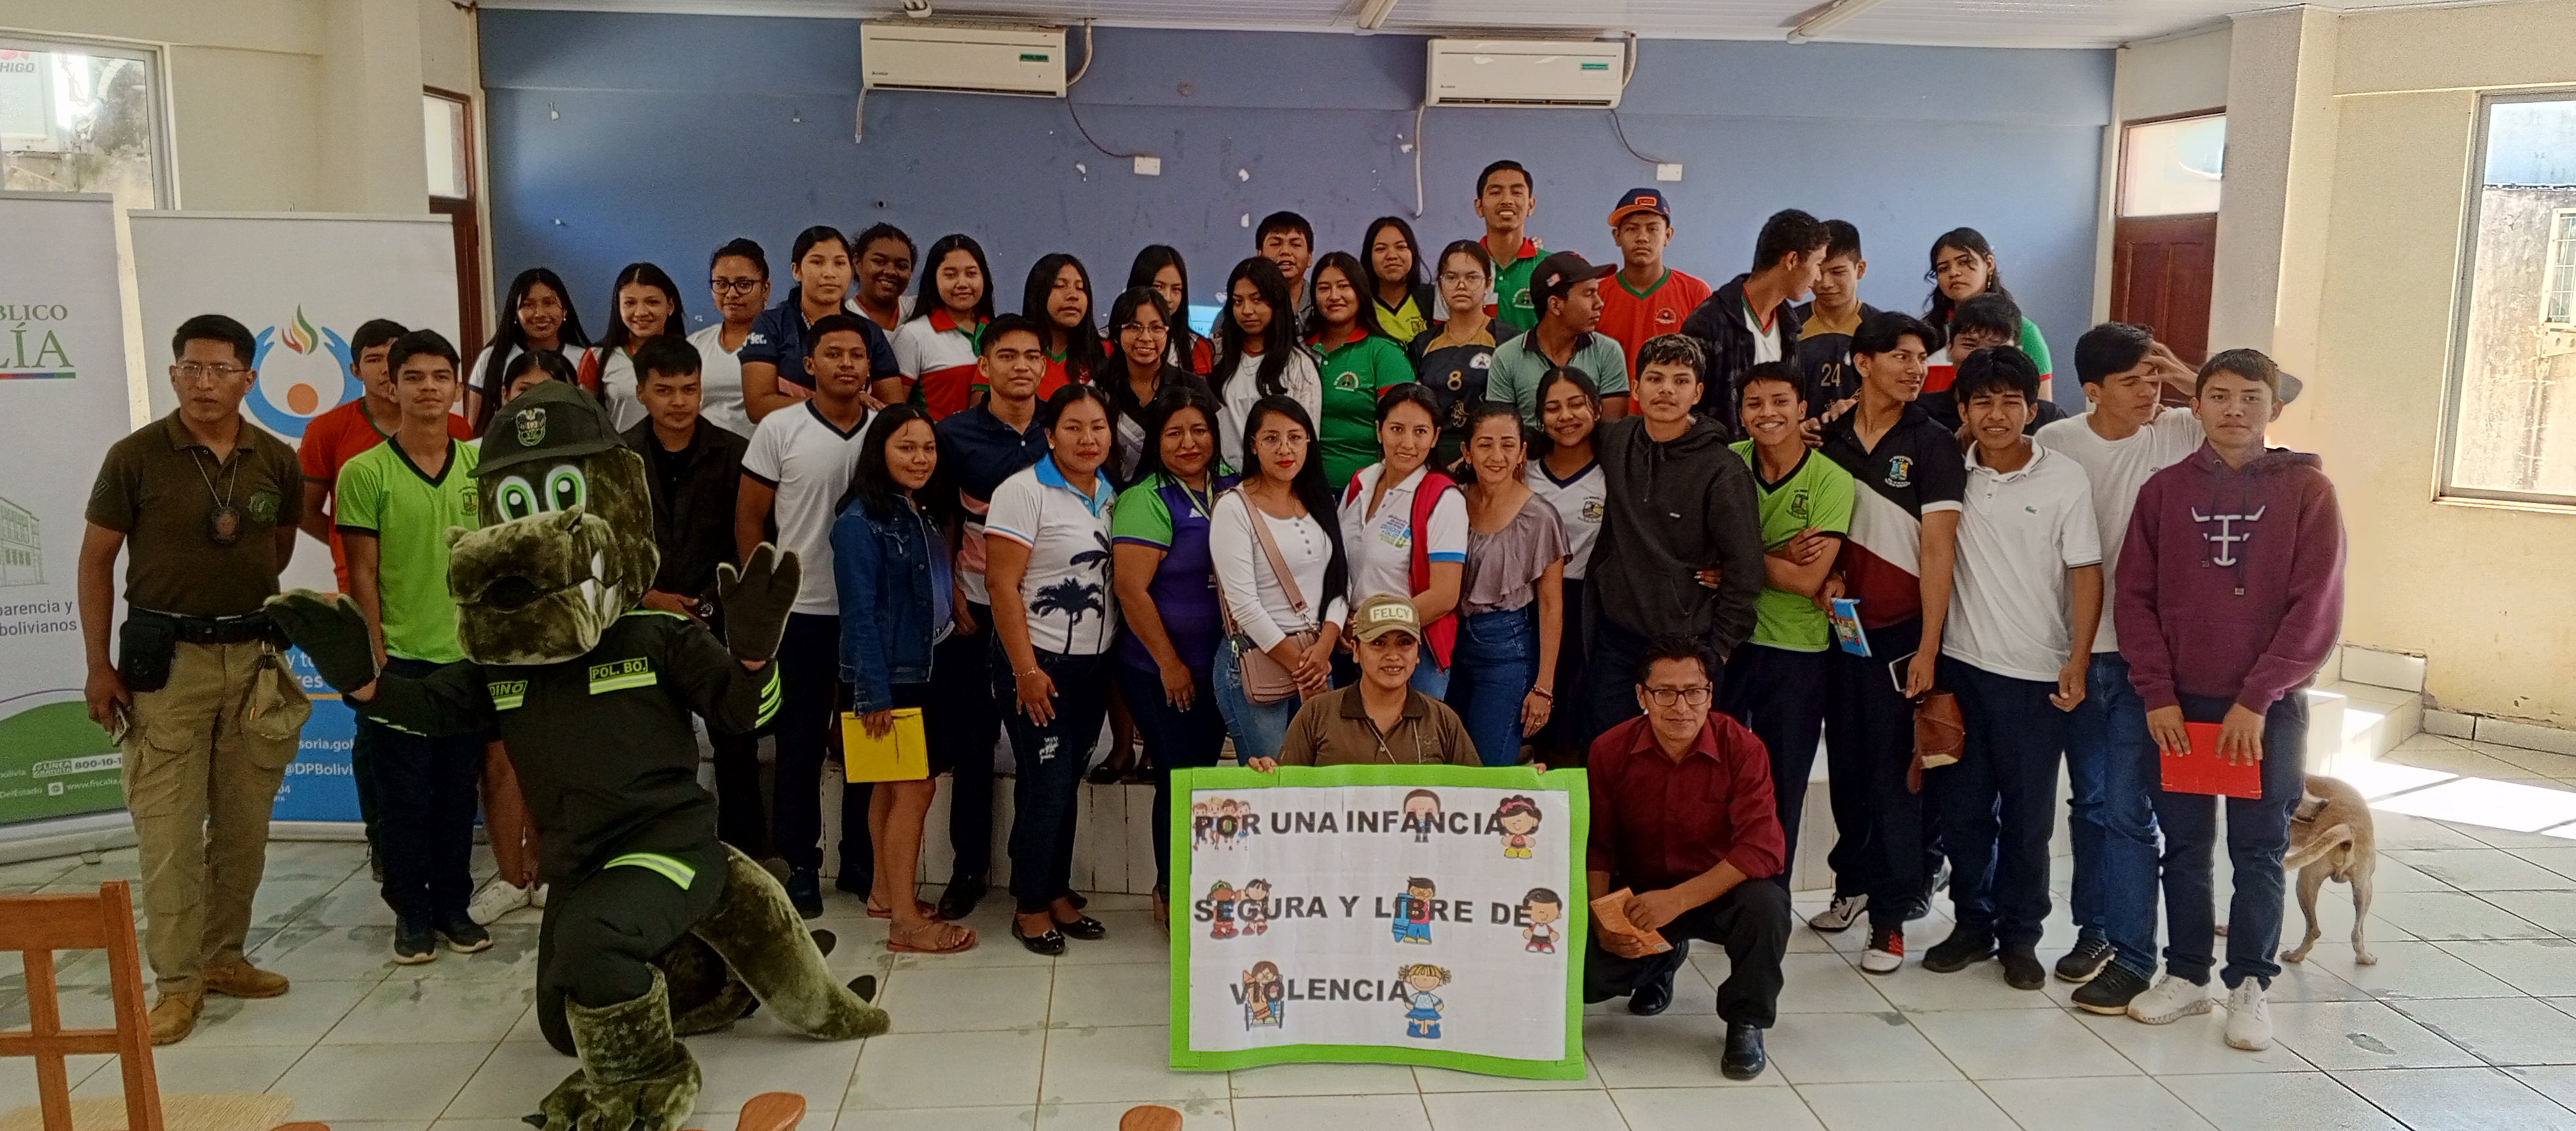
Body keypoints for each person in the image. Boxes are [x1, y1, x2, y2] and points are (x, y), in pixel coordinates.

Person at [80, 314, 309, 1044]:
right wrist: (97, 667)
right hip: (165, 667)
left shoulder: (275, 458)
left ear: (248, 377)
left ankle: (223, 957)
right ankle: (176, 986)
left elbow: (276, 550)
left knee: (245, 827)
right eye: (191, 369)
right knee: (170, 835)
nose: (205, 383)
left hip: (252, 663)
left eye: (221, 370)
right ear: (174, 373)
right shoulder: (136, 457)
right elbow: (95, 562)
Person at [2113, 348, 2343, 1054]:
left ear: (2274, 407)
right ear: (2197, 403)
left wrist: (2258, 698)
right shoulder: (2163, 492)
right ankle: (2186, 973)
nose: (2234, 410)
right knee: (2183, 845)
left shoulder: (2307, 491)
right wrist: (2158, 694)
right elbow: (2135, 598)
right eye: (2219, 396)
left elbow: (2315, 608)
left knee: (2259, 847)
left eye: (2250, 397)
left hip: (2265, 709)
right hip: (2181, 704)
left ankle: (2250, 982)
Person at [1919, 347, 2102, 990]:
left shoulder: (2065, 479)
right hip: (1964, 670)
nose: (1996, 415)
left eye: (2009, 401)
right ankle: (1972, 922)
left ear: (2032, 407)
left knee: (2028, 821)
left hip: (2037, 677)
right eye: (1982, 402)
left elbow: (2085, 573)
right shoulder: (1951, 475)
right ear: (1963, 411)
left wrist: (2076, 660)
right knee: (1965, 813)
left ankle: (2020, 936)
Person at [2037, 325, 2200, 1008]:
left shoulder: (2177, 430)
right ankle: (2094, 930)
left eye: (2153, 376)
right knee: (2089, 800)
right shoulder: (2058, 442)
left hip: (2144, 655)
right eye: (2132, 380)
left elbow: (2274, 397)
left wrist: (2187, 375)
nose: (2149, 390)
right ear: (2093, 391)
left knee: (2127, 806)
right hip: (2075, 647)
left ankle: (2135, 942)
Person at [1812, 312, 1965, 972]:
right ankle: (1853, 883)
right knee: (1848, 768)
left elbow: (1938, 551)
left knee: (1896, 777)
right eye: (1899, 356)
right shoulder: (1830, 440)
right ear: (1862, 362)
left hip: (1905, 636)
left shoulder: (1931, 444)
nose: (1913, 368)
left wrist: (1930, 645)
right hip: (1842, 633)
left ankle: (1891, 917)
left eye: (1920, 358)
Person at [334, 329, 492, 963]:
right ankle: (412, 913)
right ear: (390, 386)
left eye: (440, 376)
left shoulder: (481, 465)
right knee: (404, 799)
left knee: (457, 795)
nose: (428, 388)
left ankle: (454, 905)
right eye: (415, 377)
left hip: (468, 658)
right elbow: (363, 573)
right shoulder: (364, 472)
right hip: (401, 661)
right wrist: (375, 653)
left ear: (457, 386)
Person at [293, 317, 466, 882]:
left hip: (451, 624)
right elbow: (307, 509)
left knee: (450, 764)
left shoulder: (465, 439)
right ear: (371, 372)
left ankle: (446, 881)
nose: (424, 386)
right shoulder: (336, 435)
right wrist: (353, 542)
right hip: (372, 605)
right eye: (390, 365)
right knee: (382, 748)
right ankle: (387, 855)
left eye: (439, 375)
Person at [1583, 637, 1791, 1081]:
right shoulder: (1608, 750)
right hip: (1640, 894)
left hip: (1717, 890)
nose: (1681, 707)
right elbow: (1596, 845)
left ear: (1710, 694)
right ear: (1642, 695)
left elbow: (1763, 847)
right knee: (1586, 979)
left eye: (1694, 691)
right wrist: (1602, 922)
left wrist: (1677, 900)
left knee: (1767, 907)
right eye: (1665, 692)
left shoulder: (1743, 748)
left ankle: (1747, 1021)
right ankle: (1659, 963)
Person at [736, 312, 880, 917]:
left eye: (857, 354)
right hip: (802, 613)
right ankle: (799, 862)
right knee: (797, 745)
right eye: (834, 354)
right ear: (810, 364)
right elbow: (749, 520)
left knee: (867, 744)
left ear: (870, 364)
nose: (846, 363)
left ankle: (861, 857)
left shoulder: (886, 431)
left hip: (868, 616)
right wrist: (761, 605)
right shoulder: (780, 429)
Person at [830, 405, 978, 956]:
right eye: (906, 448)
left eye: (928, 449)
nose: (920, 459)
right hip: (889, 679)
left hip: (928, 668)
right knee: (916, 790)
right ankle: (906, 922)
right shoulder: (858, 523)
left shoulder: (921, 509)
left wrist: (954, 607)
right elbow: (859, 616)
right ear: (879, 452)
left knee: (893, 788)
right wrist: (873, 695)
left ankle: (883, 894)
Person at [986, 385, 1120, 956]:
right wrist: (1025, 670)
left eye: (1097, 427)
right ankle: (1031, 907)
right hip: (1038, 665)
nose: (1087, 439)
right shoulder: (1022, 491)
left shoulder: (1110, 494)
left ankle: (1056, 890)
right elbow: (1000, 584)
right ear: (1049, 435)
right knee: (1044, 787)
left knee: (1065, 783)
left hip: (1094, 667)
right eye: (1073, 427)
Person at [1579, 334, 1764, 747]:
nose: (1666, 389)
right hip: (1618, 643)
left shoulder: (1724, 470)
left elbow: (1745, 570)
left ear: (1698, 392)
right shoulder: (1616, 439)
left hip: (1688, 648)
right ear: (1636, 387)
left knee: (1687, 768)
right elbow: (1561, 441)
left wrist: (1717, 650)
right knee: (1608, 757)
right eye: (1656, 378)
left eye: (1681, 381)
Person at [929, 314, 1054, 919]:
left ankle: (1037, 873)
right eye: (1008, 356)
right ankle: (967, 869)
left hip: (1046, 613)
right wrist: (950, 587)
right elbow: (941, 519)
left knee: (1039, 742)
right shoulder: (954, 435)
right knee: (973, 741)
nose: (1022, 367)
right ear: (985, 366)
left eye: (1033, 356)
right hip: (976, 604)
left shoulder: (1061, 429)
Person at [619, 336, 761, 865]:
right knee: (651, 742)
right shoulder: (618, 457)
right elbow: (608, 543)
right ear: (641, 392)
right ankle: (659, 855)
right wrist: (650, 596)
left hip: (718, 615)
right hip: (641, 616)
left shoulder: (734, 453)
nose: (679, 401)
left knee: (735, 739)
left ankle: (745, 858)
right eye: (665, 390)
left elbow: (746, 537)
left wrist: (707, 601)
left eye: (689, 389)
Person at [1719, 363, 1855, 890]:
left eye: (1780, 402)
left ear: (1803, 410)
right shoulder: (1727, 462)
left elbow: (1809, 580)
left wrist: (1741, 559)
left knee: (1782, 781)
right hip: (1730, 641)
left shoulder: (1831, 480)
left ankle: (1769, 899)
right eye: (1755, 403)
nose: (1767, 413)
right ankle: (1715, 895)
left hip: (1797, 651)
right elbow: (1703, 551)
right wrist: (1775, 554)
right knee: (1720, 777)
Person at [1111, 386, 1238, 919]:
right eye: (1175, 433)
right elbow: (1131, 591)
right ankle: (1170, 894)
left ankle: (1200, 884)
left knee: (1203, 775)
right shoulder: (1146, 497)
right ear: (1156, 440)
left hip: (1222, 667)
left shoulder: (1232, 484)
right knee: (1178, 777)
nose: (1190, 443)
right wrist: (1170, 664)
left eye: (1200, 430)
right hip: (1162, 669)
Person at [1209, 396, 1348, 766]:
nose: (1285, 449)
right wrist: (1302, 664)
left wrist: (1325, 646)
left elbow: (1339, 580)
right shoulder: (1233, 507)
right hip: (1259, 659)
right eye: (1271, 438)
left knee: (1319, 779)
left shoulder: (1319, 500)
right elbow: (1243, 604)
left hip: (1317, 655)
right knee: (1269, 784)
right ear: (1253, 445)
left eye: (1295, 437)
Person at [1446, 404, 1565, 766]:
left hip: (1506, 648)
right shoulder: (1451, 499)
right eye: (1484, 445)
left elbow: (1551, 606)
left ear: (1522, 452)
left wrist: (1544, 686)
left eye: (1507, 445)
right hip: (1447, 641)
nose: (1496, 456)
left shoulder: (1540, 516)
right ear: (1466, 451)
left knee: (1488, 765)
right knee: (1444, 756)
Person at [1245, 592, 1480, 768]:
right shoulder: (1316, 714)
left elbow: (1477, 797)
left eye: (1404, 643)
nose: (1393, 655)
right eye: (1378, 643)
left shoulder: (1443, 720)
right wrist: (1267, 777)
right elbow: (1288, 794)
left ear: (1418, 653)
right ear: (1356, 650)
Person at [1340, 384, 1467, 696]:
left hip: (1412, 651)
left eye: (1420, 432)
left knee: (1410, 743)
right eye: (1397, 429)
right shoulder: (1360, 483)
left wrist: (1375, 631)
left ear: (1436, 437)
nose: (1408, 443)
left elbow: (1444, 595)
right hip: (1352, 646)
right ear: (1379, 430)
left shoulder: (1443, 496)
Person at [1679, 208, 1827, 431]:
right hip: (1721, 462)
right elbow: (1686, 413)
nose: (1818, 278)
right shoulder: (1708, 323)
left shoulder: (1790, 326)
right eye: (1818, 264)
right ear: (1792, 260)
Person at [742, 226, 898, 423]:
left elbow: (894, 413)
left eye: (840, 263)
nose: (830, 273)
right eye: (817, 262)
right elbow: (758, 408)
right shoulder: (772, 324)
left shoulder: (870, 332)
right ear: (796, 271)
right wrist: (836, 403)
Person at [1528, 368, 1604, 760]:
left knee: (1575, 731)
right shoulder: (1523, 474)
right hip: (1529, 608)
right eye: (1553, 408)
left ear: (1596, 407)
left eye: (1576, 404)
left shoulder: (1613, 473)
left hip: (1588, 610)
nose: (1566, 416)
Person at [1406, 240, 1520, 468]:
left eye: (1472, 277)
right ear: (1439, 284)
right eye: (1451, 277)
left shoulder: (1509, 339)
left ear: (1488, 283)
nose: (1461, 285)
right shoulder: (1423, 343)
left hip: (1490, 460)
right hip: (1432, 461)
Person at [1307, 251, 1416, 488]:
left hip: (1366, 492)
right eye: (1324, 288)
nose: (1334, 296)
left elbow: (1402, 428)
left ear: (1360, 291)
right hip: (1302, 493)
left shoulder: (1384, 352)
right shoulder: (1299, 351)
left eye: (1343, 286)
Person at [1487, 251, 1631, 428]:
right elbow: (1502, 432)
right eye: (1588, 294)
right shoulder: (1506, 357)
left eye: (1597, 293)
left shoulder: (1608, 351)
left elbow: (1611, 434)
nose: (1599, 303)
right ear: (1555, 305)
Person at [1211, 257, 1322, 472]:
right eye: (1237, 301)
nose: (1247, 310)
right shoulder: (1220, 360)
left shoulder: (1299, 365)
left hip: (1279, 480)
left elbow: (1307, 439)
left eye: (1257, 299)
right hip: (1226, 481)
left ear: (1277, 302)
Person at [1923, 226, 2055, 400]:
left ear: (1989, 264)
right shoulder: (1925, 332)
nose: (1954, 273)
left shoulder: (2025, 331)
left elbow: (2041, 408)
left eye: (1964, 262)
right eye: (1943, 268)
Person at [1597, 188, 1712, 381]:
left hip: (1674, 408)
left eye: (1652, 229)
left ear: (1668, 235)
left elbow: (1707, 366)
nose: (1642, 237)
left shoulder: (1696, 292)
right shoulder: (1597, 294)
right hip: (1611, 410)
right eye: (1632, 229)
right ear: (1617, 236)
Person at [1103, 287, 1213, 486]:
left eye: (1156, 328)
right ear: (1117, 333)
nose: (1146, 337)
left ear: (1168, 332)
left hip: (1181, 499)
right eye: (1134, 327)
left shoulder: (1192, 387)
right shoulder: (1100, 389)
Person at [1922, 293, 2067, 433]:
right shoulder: (1922, 414)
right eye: (1969, 345)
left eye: (1995, 347)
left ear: (2018, 352)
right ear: (1950, 348)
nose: (1980, 356)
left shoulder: (2048, 419)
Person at [468, 268, 588, 431]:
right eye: (528, 305)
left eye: (548, 303)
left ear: (565, 309)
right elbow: (473, 427)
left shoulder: (585, 359)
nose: (539, 313)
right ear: (515, 313)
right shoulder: (492, 358)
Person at [893, 232, 995, 420]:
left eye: (971, 274)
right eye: (950, 275)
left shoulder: (997, 332)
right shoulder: (914, 335)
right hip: (936, 446)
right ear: (933, 280)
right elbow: (897, 413)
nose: (962, 283)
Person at [580, 261, 687, 431]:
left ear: (670, 306)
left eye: (652, 302)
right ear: (618, 307)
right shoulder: (597, 357)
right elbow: (585, 423)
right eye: (630, 303)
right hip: (619, 455)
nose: (641, 312)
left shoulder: (692, 355)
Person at [689, 238, 772, 440]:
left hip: (762, 458)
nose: (732, 293)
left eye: (744, 284)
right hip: (705, 458)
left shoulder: (781, 342)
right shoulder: (695, 344)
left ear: (765, 289)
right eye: (722, 284)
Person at [1793, 219, 1878, 414]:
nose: (1826, 283)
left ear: (1860, 269)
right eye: (1817, 272)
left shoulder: (1883, 329)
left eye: (1838, 272)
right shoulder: (1788, 325)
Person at [1473, 160, 1545, 329]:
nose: (1507, 200)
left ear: (1531, 205)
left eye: (1517, 192)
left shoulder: (1549, 267)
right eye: (1496, 192)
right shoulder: (1462, 268)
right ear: (1479, 206)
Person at [1024, 253, 1105, 399]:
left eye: (1080, 288)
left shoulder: (1103, 354)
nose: (1073, 295)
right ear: (1038, 293)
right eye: (1060, 285)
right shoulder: (1012, 354)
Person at [1126, 244, 1214, 374]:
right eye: (1158, 287)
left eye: (1176, 289)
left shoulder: (1197, 347)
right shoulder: (1106, 343)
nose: (1168, 298)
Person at [1362, 216, 1437, 343]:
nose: (1392, 256)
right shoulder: (1361, 307)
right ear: (1369, 258)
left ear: (1413, 253)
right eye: (1381, 249)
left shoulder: (1432, 299)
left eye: (1401, 247)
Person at [846, 222, 918, 338]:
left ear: (911, 271)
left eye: (901, 266)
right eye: (879, 262)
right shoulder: (843, 318)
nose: (890, 271)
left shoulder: (920, 312)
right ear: (858, 263)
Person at [1255, 211, 1317, 319]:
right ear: (1260, 255)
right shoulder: (1244, 310)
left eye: (1296, 244)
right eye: (1275, 244)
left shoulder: (1322, 305)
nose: (1285, 251)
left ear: (1310, 257)